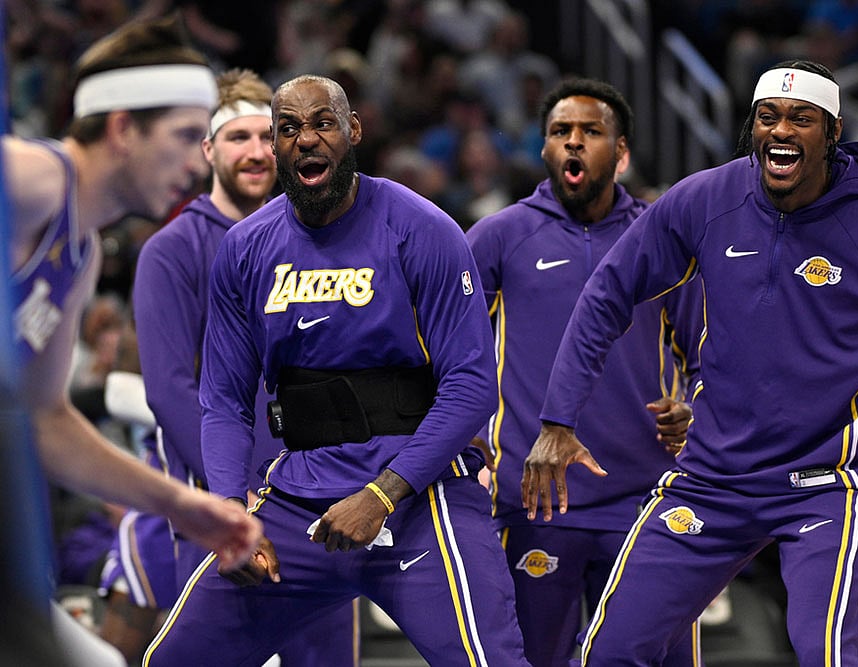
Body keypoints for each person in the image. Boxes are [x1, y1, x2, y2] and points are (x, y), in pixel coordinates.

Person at [521, 59, 858, 665]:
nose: (782, 131)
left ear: (832, 132)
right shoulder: (706, 199)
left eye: (802, 119)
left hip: (827, 485)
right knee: (608, 651)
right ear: (751, 127)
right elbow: (606, 294)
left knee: (826, 653)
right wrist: (558, 421)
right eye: (769, 117)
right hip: (713, 479)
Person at [143, 74, 529, 666]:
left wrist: (381, 493)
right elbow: (222, 401)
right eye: (290, 128)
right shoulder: (246, 248)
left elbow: (473, 386)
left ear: (352, 131)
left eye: (322, 123)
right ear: (276, 146)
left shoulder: (423, 229)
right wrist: (229, 515)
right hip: (299, 500)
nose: (306, 139)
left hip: (419, 496)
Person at [5, 14, 263, 660]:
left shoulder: (81, 253)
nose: (193, 158)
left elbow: (48, 421)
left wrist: (184, 502)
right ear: (123, 129)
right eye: (182, 136)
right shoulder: (31, 178)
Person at [97, 67, 359, 665]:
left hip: (321, 493)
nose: (254, 152)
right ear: (209, 150)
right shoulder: (172, 248)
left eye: (264, 137)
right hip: (227, 500)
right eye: (235, 138)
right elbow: (169, 390)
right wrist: (229, 500)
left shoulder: (320, 237)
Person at [465, 77, 703, 666]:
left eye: (591, 132)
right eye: (560, 132)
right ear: (544, 150)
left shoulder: (662, 237)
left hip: (647, 500)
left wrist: (696, 409)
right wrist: (468, 449)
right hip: (536, 504)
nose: (574, 143)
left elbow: (711, 355)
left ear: (619, 153)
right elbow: (449, 352)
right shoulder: (499, 237)